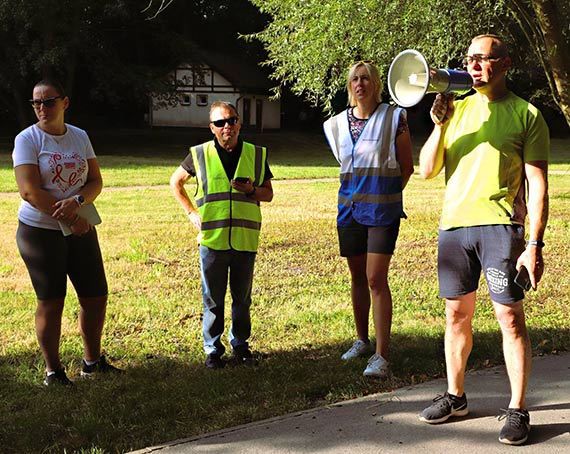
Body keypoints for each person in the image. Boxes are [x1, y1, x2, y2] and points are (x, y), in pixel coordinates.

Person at [418, 35, 549, 446]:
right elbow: (426, 170)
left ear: (504, 63)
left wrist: (535, 244)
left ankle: (517, 408)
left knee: (510, 318)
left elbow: (538, 186)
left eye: (482, 58)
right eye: (469, 59)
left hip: (500, 229)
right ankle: (456, 397)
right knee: (456, 316)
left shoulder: (527, 114)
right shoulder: (454, 109)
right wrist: (439, 125)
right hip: (454, 227)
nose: (473, 65)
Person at [12, 79, 121, 386]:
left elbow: (95, 181)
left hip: (80, 223)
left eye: (48, 101)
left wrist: (78, 202)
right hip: (40, 231)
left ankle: (92, 361)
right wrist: (71, 220)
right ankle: (53, 372)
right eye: (36, 103)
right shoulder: (28, 139)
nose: (42, 108)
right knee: (52, 300)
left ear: (65, 102)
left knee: (95, 294)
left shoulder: (79, 136)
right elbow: (29, 191)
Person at [323, 61, 414, 377]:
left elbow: (407, 166)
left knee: (376, 278)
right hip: (349, 211)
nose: (359, 83)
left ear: (376, 84)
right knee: (357, 277)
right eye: (354, 79)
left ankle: (381, 356)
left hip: (382, 212)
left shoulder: (394, 117)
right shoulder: (335, 124)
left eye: (365, 78)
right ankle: (361, 340)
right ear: (350, 87)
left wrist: (385, 193)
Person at [170, 101, 274, 369]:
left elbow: (268, 194)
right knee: (213, 298)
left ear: (239, 123)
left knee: (242, 298)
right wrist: (191, 213)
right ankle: (212, 350)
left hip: (244, 237)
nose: (226, 126)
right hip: (212, 239)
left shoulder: (256, 154)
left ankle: (240, 345)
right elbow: (176, 182)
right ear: (212, 128)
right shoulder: (199, 154)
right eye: (220, 123)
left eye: (231, 120)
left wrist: (251, 190)